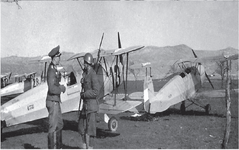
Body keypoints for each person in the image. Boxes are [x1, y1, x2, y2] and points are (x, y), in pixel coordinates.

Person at [78, 53, 100, 149]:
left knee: (89, 132)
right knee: (81, 128)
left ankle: (88, 148)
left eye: (85, 63)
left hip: (91, 107)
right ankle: (84, 147)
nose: (84, 65)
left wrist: (85, 94)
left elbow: (96, 91)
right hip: (86, 106)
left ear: (88, 63)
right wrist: (83, 81)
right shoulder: (87, 74)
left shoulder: (93, 75)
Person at [46, 45, 66, 149]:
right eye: (58, 57)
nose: (60, 59)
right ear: (55, 57)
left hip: (56, 101)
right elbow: (52, 89)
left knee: (60, 124)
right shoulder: (51, 71)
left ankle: (59, 147)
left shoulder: (54, 69)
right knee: (53, 127)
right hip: (53, 101)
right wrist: (61, 89)